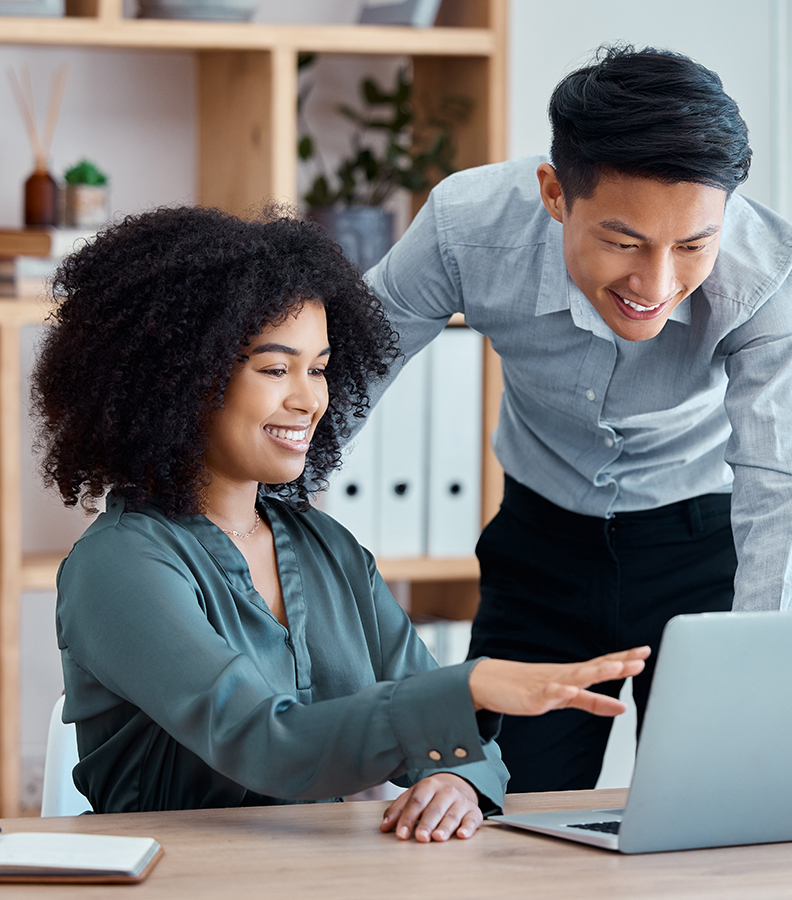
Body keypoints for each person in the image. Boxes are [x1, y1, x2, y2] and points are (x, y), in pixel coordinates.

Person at [30, 205, 648, 841]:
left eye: (319, 368)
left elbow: (465, 745)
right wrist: (470, 689)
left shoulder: (326, 547)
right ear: (178, 380)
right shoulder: (118, 568)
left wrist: (456, 781)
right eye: (275, 369)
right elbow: (266, 742)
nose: (309, 399)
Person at [364, 44, 792, 793]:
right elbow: (343, 374)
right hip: (541, 551)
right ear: (555, 193)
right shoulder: (466, 226)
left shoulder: (766, 269)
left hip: (702, 555)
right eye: (623, 242)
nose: (658, 282)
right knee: (507, 813)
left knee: (711, 810)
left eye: (693, 244)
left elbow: (783, 477)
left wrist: (764, 665)